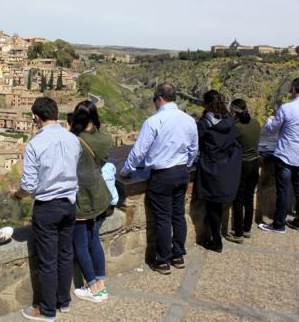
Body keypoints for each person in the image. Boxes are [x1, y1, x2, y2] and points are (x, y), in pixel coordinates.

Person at [9, 97, 82, 321]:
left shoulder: (35, 145)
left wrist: (17, 195)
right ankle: (64, 301)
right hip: (69, 204)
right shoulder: (73, 140)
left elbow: (29, 186)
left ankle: (47, 310)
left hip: (47, 208)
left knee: (48, 260)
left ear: (36, 117)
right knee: (65, 254)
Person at [120, 83, 198, 275]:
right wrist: (186, 165)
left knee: (163, 218)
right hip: (181, 173)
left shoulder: (154, 121)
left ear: (159, 98)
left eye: (154, 100)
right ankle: (178, 255)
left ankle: (162, 260)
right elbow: (194, 149)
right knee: (178, 215)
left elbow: (139, 151)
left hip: (162, 175)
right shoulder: (188, 120)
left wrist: (126, 171)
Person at [259, 77, 299, 233]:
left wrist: (269, 120)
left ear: (294, 89)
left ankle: (278, 225)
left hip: (285, 154)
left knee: (283, 190)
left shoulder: (287, 108)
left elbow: (271, 130)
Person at [69, 101, 113, 303]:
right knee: (94, 240)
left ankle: (93, 288)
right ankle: (101, 284)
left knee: (80, 243)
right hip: (99, 195)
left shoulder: (76, 141)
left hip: (82, 198)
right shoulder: (104, 138)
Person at [195, 90, 242, 252]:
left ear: (206, 104)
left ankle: (216, 241)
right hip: (227, 167)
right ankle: (217, 237)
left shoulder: (205, 123)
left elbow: (195, 143)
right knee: (219, 206)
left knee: (212, 206)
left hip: (211, 168)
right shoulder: (230, 120)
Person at [225, 99, 261, 244]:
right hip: (255, 162)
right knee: (249, 197)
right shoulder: (256, 123)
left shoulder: (235, 127)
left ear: (233, 111)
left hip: (242, 164)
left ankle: (238, 232)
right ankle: (247, 229)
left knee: (238, 199)